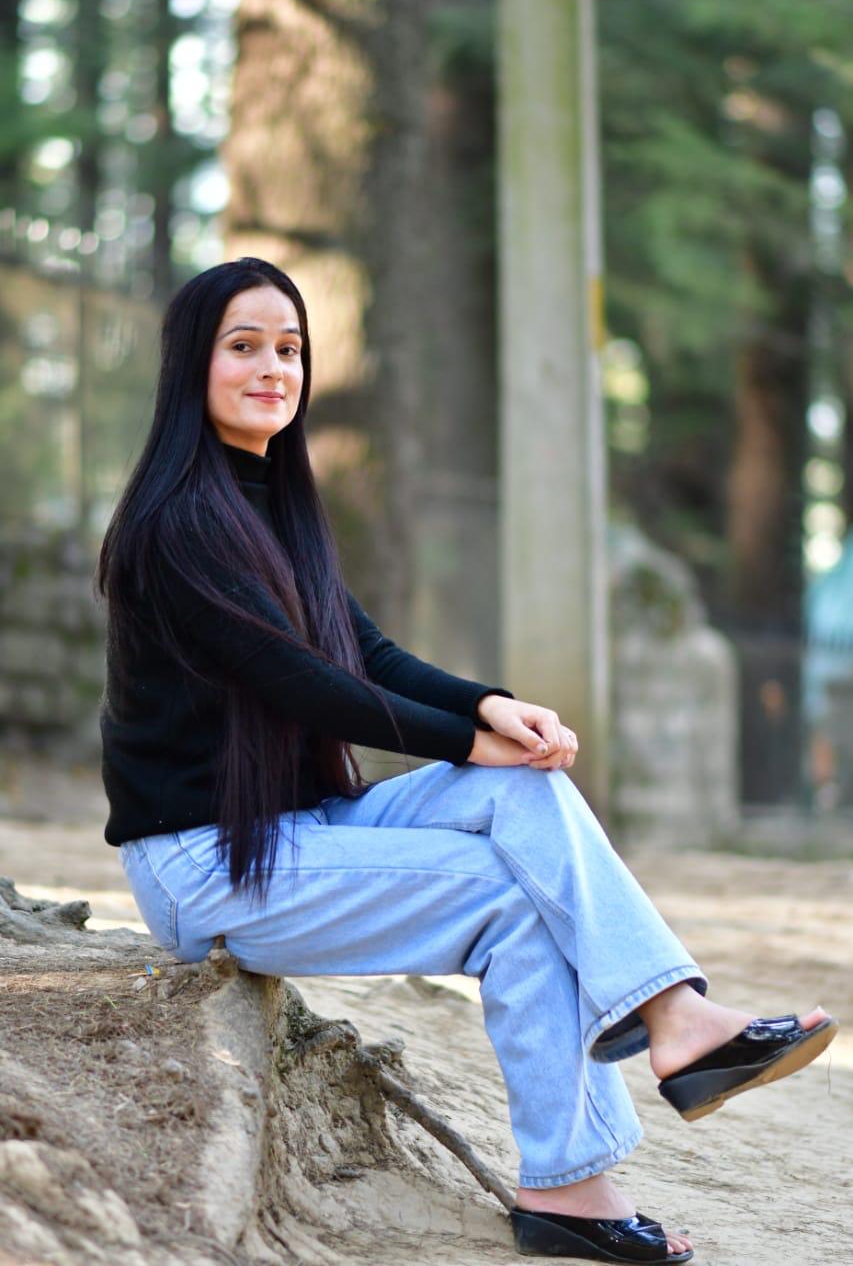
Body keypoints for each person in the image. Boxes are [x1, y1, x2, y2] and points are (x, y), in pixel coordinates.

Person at [96, 257, 837, 1265]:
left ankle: (671, 1019)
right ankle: (579, 1172)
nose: (274, 368)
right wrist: (461, 737)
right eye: (244, 347)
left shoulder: (274, 504)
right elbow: (299, 684)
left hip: (298, 829)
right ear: (192, 364)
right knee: (509, 895)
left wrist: (492, 707)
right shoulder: (177, 524)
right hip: (205, 864)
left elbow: (366, 654)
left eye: (290, 348)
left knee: (519, 787)